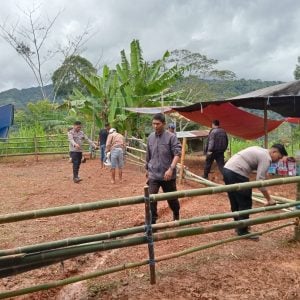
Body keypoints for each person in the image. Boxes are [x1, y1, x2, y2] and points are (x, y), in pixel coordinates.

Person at [223, 143, 288, 239]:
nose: (277, 161)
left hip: (227, 169)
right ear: (274, 152)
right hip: (237, 172)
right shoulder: (266, 158)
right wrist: (269, 199)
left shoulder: (261, 150)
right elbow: (259, 182)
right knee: (245, 202)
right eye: (278, 158)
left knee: (235, 199)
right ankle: (243, 231)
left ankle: (239, 225)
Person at [145, 113, 182, 224]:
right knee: (151, 198)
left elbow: (177, 154)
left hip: (167, 175)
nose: (155, 126)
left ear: (164, 124)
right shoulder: (150, 137)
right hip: (154, 174)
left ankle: (176, 213)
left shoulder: (171, 137)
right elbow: (148, 155)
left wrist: (171, 169)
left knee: (172, 199)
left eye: (158, 124)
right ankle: (153, 221)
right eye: (153, 124)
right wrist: (147, 169)